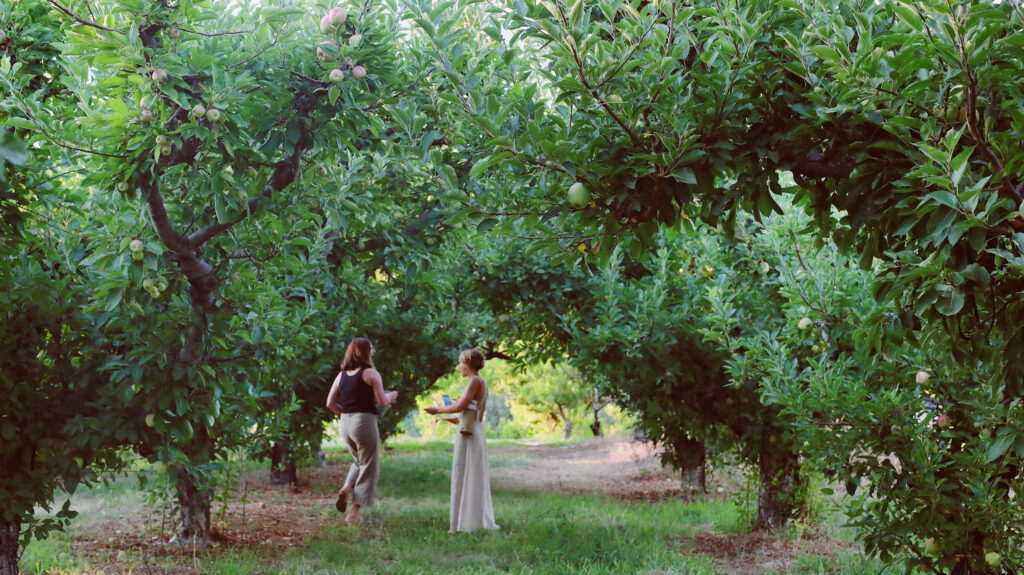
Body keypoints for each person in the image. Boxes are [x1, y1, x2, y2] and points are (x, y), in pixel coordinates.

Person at [425, 348, 499, 533]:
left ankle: (466, 523)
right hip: (476, 430)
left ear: (469, 364)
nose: (459, 367)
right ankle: (470, 520)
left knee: (464, 471)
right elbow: (473, 412)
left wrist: (438, 409)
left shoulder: (474, 381)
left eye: (461, 363)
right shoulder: (481, 382)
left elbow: (460, 406)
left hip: (469, 434)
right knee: (472, 472)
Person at [325, 337, 398, 524]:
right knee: (369, 465)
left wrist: (346, 414)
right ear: (365, 352)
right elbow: (382, 402)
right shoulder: (371, 374)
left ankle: (346, 487)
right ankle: (354, 513)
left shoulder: (340, 375)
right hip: (364, 421)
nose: (373, 352)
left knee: (358, 460)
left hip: (346, 424)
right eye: (371, 349)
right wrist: (391, 395)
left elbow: (330, 403)